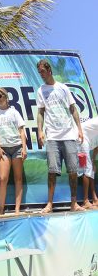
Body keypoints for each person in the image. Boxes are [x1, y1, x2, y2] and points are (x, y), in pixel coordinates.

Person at [36, 59, 85, 213]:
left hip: (69, 134)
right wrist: (40, 131)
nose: (41, 75)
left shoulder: (63, 88)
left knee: (73, 170)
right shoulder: (40, 90)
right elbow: (40, 112)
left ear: (49, 70)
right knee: (52, 171)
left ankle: (74, 203)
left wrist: (80, 129)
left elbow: (73, 109)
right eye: (40, 73)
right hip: (52, 136)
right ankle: (49, 204)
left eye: (43, 71)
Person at [0, 87, 27, 215]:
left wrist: (24, 148)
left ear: (6, 97)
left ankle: (17, 209)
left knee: (18, 178)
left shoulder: (14, 112)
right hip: (3, 149)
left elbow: (22, 131)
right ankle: (1, 210)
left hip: (17, 147)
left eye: (0, 96)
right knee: (2, 178)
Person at [79, 119, 98, 209]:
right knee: (87, 169)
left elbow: (96, 148)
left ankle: (94, 199)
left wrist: (93, 161)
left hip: (85, 140)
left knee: (90, 169)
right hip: (80, 138)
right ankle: (86, 201)